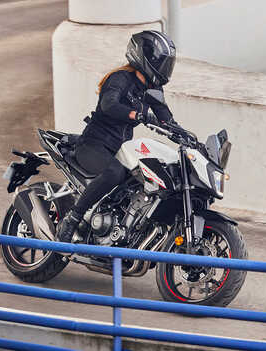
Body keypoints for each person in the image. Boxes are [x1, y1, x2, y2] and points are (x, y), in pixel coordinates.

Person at [56, 30, 178, 243]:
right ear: (144, 57)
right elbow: (109, 104)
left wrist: (184, 135)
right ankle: (72, 218)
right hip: (93, 145)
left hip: (119, 149)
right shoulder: (120, 78)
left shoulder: (152, 89)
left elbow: (165, 117)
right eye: (161, 62)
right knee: (113, 173)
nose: (164, 68)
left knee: (138, 181)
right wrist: (136, 114)